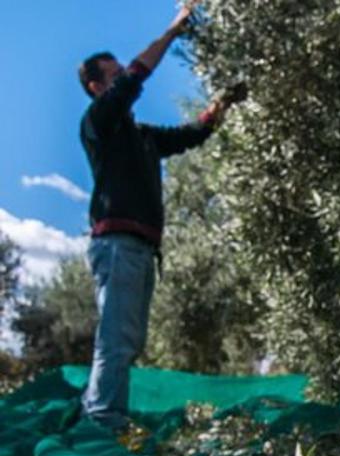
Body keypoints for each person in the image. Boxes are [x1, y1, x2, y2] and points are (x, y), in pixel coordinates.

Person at [77, 3, 240, 432]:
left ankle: (103, 412)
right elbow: (134, 79)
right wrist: (171, 32)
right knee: (117, 339)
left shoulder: (142, 137)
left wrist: (221, 105)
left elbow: (192, 135)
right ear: (96, 87)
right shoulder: (99, 123)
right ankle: (101, 422)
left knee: (127, 341)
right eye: (112, 77)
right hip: (118, 246)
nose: (123, 80)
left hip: (140, 250)